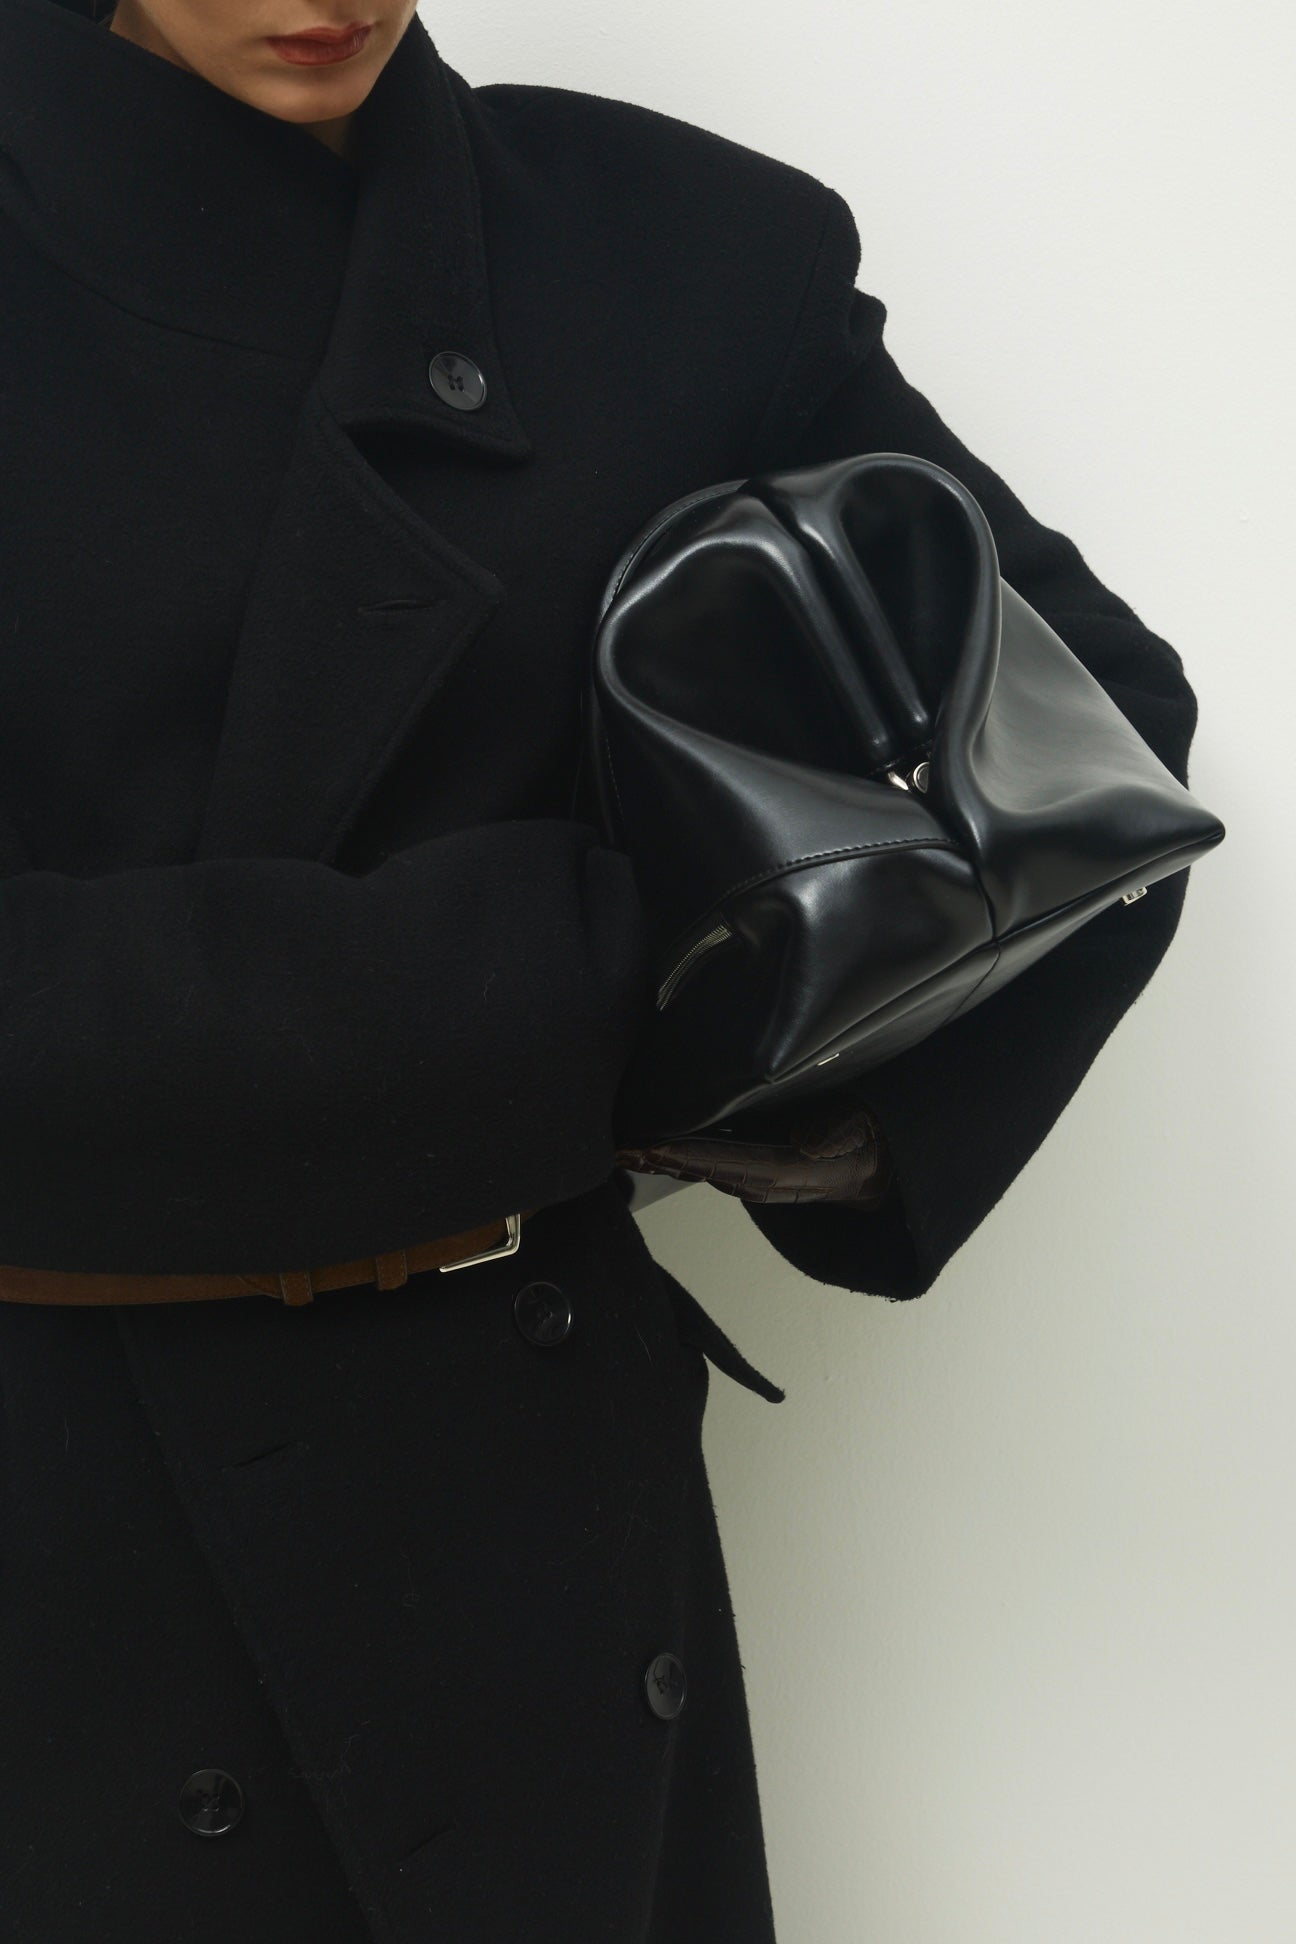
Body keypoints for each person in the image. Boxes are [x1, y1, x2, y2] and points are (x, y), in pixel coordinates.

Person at [0, 0, 1202, 1936]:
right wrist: (624, 978)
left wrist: (806, 1089)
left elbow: (1087, 740)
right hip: (61, 1575)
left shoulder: (667, 255)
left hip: (533, 1574)